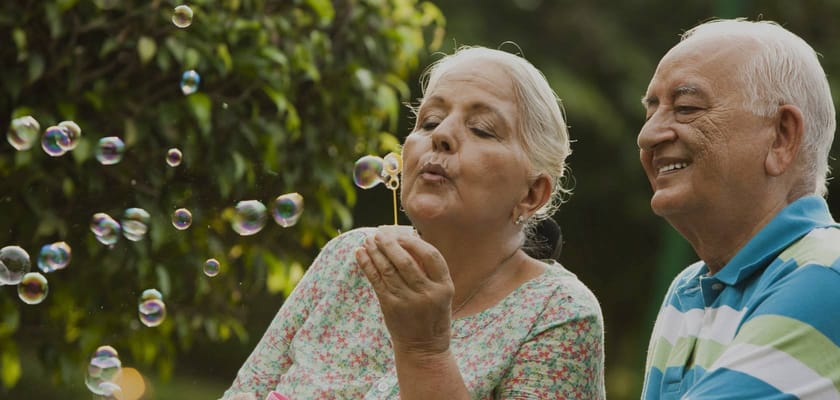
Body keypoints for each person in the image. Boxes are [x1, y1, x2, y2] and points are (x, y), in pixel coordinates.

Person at [221, 46, 605, 399]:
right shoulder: (349, 258)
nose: (440, 135)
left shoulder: (557, 314)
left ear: (532, 194)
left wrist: (425, 348)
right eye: (430, 121)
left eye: (482, 129)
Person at [638, 19, 840, 399]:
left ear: (782, 136)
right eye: (652, 111)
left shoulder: (829, 273)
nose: (647, 135)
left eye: (685, 108)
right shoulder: (687, 291)